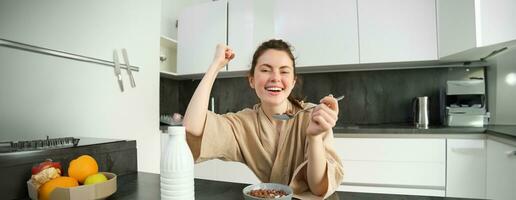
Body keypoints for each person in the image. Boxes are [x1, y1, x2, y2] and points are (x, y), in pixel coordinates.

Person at [183, 39, 344, 199]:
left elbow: (318, 188)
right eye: (266, 70)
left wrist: (314, 137)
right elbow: (191, 127)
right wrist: (215, 65)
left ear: (293, 82)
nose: (275, 77)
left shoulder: (313, 117)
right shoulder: (243, 124)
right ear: (251, 80)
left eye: (284, 71)